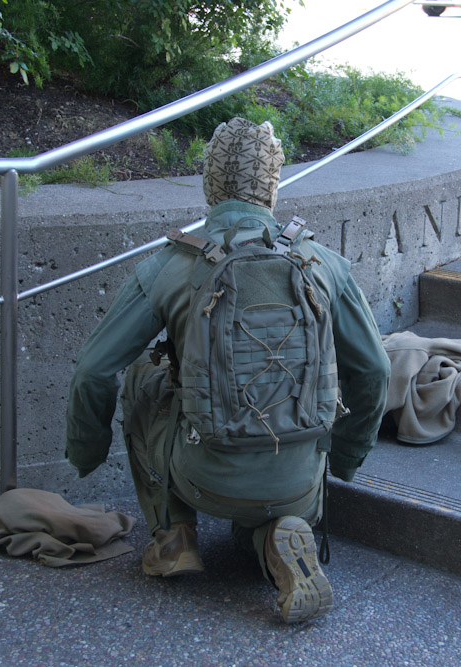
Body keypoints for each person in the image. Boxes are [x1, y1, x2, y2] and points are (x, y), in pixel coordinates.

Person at [65, 117, 390, 623]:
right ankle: (278, 535)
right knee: (275, 508)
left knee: (142, 376)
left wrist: (86, 451)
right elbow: (373, 371)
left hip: (203, 474)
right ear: (273, 185)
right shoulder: (321, 261)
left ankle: (174, 533)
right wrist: (344, 460)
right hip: (301, 480)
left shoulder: (172, 265)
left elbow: (93, 371)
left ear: (209, 184)